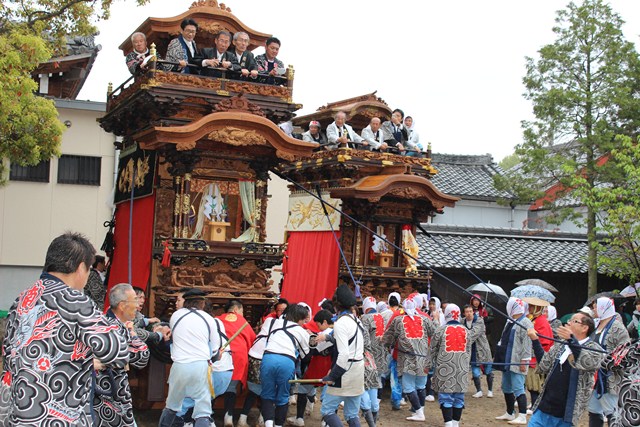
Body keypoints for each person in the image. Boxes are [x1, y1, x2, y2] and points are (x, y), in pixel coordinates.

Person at [0, 232, 129, 426]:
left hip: (16, 410)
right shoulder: (75, 301)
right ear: (80, 268)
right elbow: (117, 352)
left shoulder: (22, 299)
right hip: (56, 414)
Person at [527, 312, 604, 427]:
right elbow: (544, 364)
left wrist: (572, 340)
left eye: (574, 321)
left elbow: (586, 362)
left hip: (566, 415)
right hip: (544, 408)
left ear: (584, 328)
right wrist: (535, 340)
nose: (568, 323)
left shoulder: (594, 349)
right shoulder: (561, 345)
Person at [159, 289, 221, 427]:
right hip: (200, 366)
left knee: (172, 405)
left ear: (186, 301)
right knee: (202, 410)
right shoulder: (209, 319)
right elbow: (216, 347)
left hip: (179, 366)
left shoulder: (176, 316)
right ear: (202, 303)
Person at [93, 283, 150, 427]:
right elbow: (142, 357)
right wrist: (133, 333)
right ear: (122, 305)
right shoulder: (117, 328)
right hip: (111, 390)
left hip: (106, 389)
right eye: (135, 300)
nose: (138, 305)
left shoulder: (104, 322)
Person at [383, 298, 438, 422]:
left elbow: (388, 337)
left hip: (407, 358)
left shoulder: (398, 320)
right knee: (421, 386)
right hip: (424, 357)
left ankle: (419, 412)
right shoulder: (425, 319)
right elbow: (435, 333)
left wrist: (386, 344)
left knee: (408, 387)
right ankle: (420, 411)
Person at [260, 304, 312, 427]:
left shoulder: (272, 322)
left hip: (268, 358)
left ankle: (268, 425)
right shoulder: (301, 331)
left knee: (267, 394)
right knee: (283, 396)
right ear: (300, 319)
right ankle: (278, 425)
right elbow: (306, 356)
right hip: (286, 361)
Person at [321, 285, 365, 427]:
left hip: (344, 370)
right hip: (358, 368)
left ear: (336, 304)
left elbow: (344, 353)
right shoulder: (357, 320)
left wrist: (333, 375)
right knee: (351, 414)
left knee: (327, 410)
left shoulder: (340, 323)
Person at [431, 304, 482, 427]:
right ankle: (456, 423)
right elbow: (468, 351)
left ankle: (448, 424)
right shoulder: (466, 332)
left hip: (445, 368)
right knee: (459, 396)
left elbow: (432, 350)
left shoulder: (440, 330)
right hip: (462, 368)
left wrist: (428, 364)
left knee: (445, 395)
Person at [587, 297, 630, 426]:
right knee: (594, 410)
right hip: (594, 376)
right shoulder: (596, 324)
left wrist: (608, 361)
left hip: (610, 377)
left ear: (603, 307)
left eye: (595, 306)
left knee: (612, 412)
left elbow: (625, 350)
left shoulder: (617, 327)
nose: (593, 309)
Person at [493, 297, 534, 425]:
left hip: (517, 361)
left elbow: (527, 344)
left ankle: (522, 415)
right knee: (506, 387)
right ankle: (510, 412)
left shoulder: (526, 323)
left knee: (518, 388)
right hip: (507, 360)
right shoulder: (510, 321)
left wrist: (524, 360)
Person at [217, 300, 256, 427]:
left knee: (211, 388)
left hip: (220, 356)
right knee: (231, 387)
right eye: (242, 311)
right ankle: (228, 418)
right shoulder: (242, 322)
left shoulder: (216, 319)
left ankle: (206, 417)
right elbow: (252, 340)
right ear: (235, 310)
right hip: (239, 356)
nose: (242, 314)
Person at [526, 301, 554, 411]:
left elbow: (544, 342)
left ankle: (535, 406)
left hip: (537, 358)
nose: (529, 308)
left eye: (532, 306)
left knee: (535, 385)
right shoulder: (533, 319)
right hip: (531, 356)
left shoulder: (541, 321)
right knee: (531, 385)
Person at [462, 305, 494, 399]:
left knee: (488, 370)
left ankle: (490, 390)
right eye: (467, 311)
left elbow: (473, 334)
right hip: (471, 349)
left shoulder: (479, 321)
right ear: (464, 313)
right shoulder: (462, 321)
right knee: (475, 371)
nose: (469, 313)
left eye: (470, 311)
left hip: (482, 348)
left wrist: (463, 337)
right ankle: (479, 390)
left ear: (473, 312)